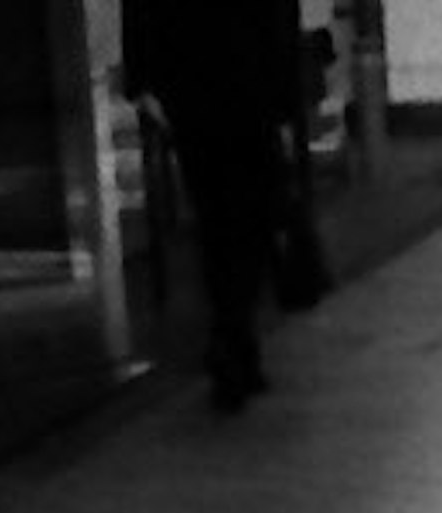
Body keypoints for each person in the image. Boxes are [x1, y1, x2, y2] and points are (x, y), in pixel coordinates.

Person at [123, 0, 312, 406]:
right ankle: (234, 334)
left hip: (187, 81)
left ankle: (232, 336)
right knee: (251, 211)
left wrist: (142, 82)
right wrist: (285, 98)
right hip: (249, 80)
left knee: (216, 215)